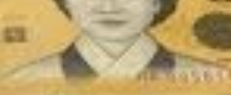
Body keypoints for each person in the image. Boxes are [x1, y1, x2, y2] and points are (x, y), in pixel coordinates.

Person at [11, 0, 216, 80]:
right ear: (66, 3)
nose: (109, 7)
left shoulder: (212, 76)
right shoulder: (23, 79)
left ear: (157, 3)